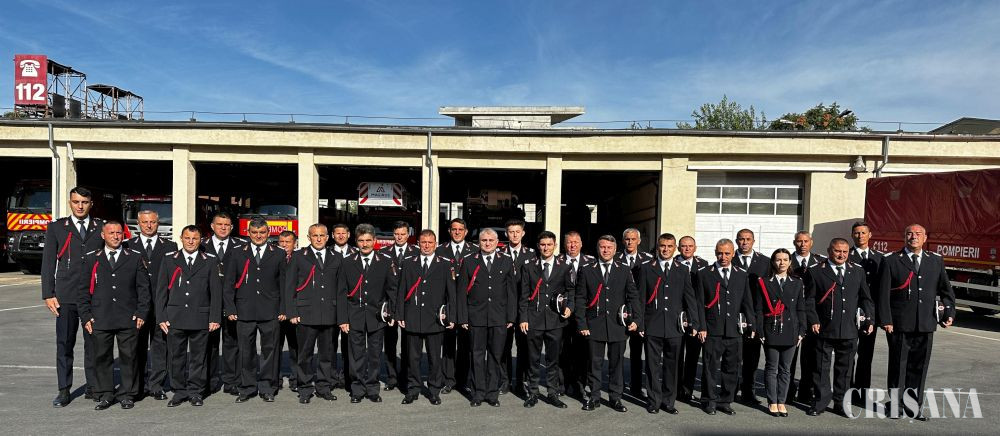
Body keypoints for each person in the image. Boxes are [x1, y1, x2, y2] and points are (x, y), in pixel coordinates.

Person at [877, 224, 955, 420]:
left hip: (925, 323)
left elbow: (946, 291)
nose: (914, 237)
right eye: (910, 234)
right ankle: (895, 407)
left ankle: (913, 407)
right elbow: (883, 293)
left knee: (919, 368)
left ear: (925, 238)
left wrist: (949, 313)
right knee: (898, 366)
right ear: (904, 237)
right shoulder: (891, 260)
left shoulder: (935, 260)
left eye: (918, 234)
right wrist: (886, 319)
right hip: (899, 324)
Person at [79, 221, 151, 410]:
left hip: (128, 317)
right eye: (111, 233)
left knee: (129, 357)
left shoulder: (134, 257)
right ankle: (105, 393)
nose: (116, 236)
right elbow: (83, 290)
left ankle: (127, 394)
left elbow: (143, 289)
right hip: (100, 316)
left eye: (119, 233)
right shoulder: (91, 258)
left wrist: (141, 312)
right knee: (101, 357)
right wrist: (85, 316)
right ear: (103, 235)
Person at [43, 186, 104, 407]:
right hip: (66, 295)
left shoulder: (101, 227)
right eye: (76, 202)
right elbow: (48, 262)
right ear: (70, 203)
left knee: (94, 344)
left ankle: (93, 387)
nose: (80, 206)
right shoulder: (57, 227)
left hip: (93, 296)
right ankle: (64, 390)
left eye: (84, 202)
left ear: (91, 204)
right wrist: (48, 293)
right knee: (65, 343)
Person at [804, 238, 875, 417]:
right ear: (829, 250)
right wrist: (813, 320)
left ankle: (841, 403)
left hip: (849, 329)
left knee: (845, 369)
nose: (841, 255)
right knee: (820, 368)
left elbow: (866, 298)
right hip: (824, 328)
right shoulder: (815, 271)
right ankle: (820, 402)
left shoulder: (857, 271)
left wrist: (869, 320)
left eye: (845, 251)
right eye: (837, 251)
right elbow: (809, 299)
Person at [156, 225, 222, 407]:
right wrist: (161, 316)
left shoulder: (209, 260)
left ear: (200, 240)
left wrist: (215, 317)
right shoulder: (169, 259)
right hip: (175, 317)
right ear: (181, 238)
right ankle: (179, 391)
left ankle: (195, 392)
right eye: (187, 238)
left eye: (195, 238)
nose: (191, 242)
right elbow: (161, 291)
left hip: (200, 317)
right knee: (176, 357)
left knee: (198, 358)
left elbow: (216, 292)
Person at [224, 217, 286, 403]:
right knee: (245, 351)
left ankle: (267, 387)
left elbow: (284, 284)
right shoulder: (237, 252)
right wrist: (230, 307)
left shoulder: (279, 253)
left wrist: (283, 309)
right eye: (254, 232)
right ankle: (247, 387)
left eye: (262, 232)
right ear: (248, 233)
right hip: (244, 309)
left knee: (270, 351)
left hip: (271, 310)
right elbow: (229, 283)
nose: (258, 236)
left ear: (268, 233)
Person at [575, 235, 639, 412]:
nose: (606, 250)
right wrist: (582, 324)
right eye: (602, 247)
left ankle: (615, 398)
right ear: (597, 248)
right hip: (594, 324)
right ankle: (594, 397)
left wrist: (636, 320)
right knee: (594, 364)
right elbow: (580, 298)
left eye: (609, 247)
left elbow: (633, 296)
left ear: (615, 250)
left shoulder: (624, 269)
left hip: (618, 325)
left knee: (616, 364)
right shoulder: (587, 270)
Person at [638, 233, 698, 415]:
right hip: (653, 325)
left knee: (672, 366)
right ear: (658, 247)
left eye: (669, 246)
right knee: (652, 365)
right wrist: (640, 323)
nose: (665, 249)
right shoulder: (647, 268)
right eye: (662, 246)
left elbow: (689, 298)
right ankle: (654, 401)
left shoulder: (682, 269)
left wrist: (694, 322)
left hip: (675, 326)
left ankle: (668, 401)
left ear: (675, 248)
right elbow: (640, 298)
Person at [338, 223, 399, 403]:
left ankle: (372, 389)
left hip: (377, 316)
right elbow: (341, 292)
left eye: (368, 240)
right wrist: (343, 318)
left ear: (374, 241)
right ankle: (357, 389)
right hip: (354, 316)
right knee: (356, 355)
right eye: (361, 241)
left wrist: (392, 313)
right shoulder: (347, 261)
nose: (364, 244)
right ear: (356, 242)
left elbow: (392, 290)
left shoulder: (385, 261)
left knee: (374, 355)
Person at [457, 228, 516, 407]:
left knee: (495, 356)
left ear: (497, 242)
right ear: (479, 242)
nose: (488, 243)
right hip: (476, 316)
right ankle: (478, 393)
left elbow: (511, 292)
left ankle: (492, 393)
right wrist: (463, 318)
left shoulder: (506, 260)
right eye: (484, 240)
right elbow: (461, 292)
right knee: (476, 355)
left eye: (491, 240)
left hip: (499, 317)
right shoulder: (469, 261)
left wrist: (511, 316)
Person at [696, 238, 755, 416]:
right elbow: (699, 303)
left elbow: (747, 301)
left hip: (734, 330)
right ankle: (709, 400)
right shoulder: (704, 273)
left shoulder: (741, 274)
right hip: (712, 329)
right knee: (710, 367)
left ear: (733, 253)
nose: (723, 257)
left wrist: (751, 324)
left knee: (732, 368)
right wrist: (702, 327)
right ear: (715, 253)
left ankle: (725, 401)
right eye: (720, 253)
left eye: (727, 253)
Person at [397, 229, 456, 406]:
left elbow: (451, 294)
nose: (427, 246)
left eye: (430, 242)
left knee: (434, 358)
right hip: (413, 317)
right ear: (418, 244)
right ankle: (413, 389)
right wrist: (400, 314)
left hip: (435, 318)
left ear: (436, 244)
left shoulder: (444, 264)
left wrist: (451, 316)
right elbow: (401, 290)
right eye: (423, 242)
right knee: (412, 358)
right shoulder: (409, 263)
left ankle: (434, 390)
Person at [124, 210, 177, 401]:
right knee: (136, 347)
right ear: (138, 223)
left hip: (160, 304)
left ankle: (156, 385)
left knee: (160, 346)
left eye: (153, 222)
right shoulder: (128, 245)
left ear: (158, 223)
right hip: (137, 306)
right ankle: (137, 385)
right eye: (145, 222)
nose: (148, 225)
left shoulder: (170, 246)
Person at [285, 224, 341, 404]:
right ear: (309, 238)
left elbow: (340, 288)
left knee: (326, 355)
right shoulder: (299, 256)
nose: (318, 239)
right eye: (315, 235)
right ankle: (304, 388)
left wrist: (340, 315)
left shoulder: (336, 257)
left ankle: (324, 387)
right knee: (304, 355)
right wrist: (292, 312)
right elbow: (289, 286)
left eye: (322, 235)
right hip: (306, 313)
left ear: (327, 237)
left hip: (329, 313)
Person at [518, 230, 574, 409]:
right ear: (538, 246)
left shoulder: (564, 266)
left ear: (555, 246)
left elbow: (571, 290)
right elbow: (524, 295)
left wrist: (570, 307)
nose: (546, 248)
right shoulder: (529, 266)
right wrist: (523, 317)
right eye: (543, 244)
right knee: (533, 359)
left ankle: (552, 393)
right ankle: (533, 392)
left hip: (555, 320)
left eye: (549, 244)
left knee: (553, 359)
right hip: (534, 319)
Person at [756, 248, 806, 417]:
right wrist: (760, 330)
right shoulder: (764, 282)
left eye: (785, 259)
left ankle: (782, 401)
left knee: (785, 369)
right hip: (771, 328)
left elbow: (800, 308)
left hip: (791, 330)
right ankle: (772, 401)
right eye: (778, 259)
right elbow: (759, 309)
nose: (782, 263)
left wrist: (802, 330)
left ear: (790, 262)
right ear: (773, 262)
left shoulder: (797, 282)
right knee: (771, 367)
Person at [201, 212, 246, 396]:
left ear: (232, 227)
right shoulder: (202, 245)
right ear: (212, 226)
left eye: (226, 225)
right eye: (219, 224)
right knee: (209, 344)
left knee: (231, 343)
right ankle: (209, 381)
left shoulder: (241, 246)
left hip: (232, 302)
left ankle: (231, 381)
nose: (223, 227)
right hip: (208, 301)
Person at [436, 218, 477, 395]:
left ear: (466, 231)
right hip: (447, 302)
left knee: (466, 344)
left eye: (461, 229)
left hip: (468, 303)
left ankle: (463, 380)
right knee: (448, 344)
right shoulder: (440, 250)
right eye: (454, 229)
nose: (457, 232)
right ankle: (449, 380)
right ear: (449, 231)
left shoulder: (474, 250)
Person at [848, 221, 884, 406]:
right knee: (848, 355)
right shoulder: (846, 255)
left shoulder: (880, 258)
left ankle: (862, 394)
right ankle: (847, 392)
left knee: (866, 355)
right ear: (852, 235)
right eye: (856, 233)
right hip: (849, 313)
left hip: (870, 313)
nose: (860, 236)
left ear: (870, 235)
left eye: (863, 232)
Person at [732, 229, 770, 406]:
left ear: (754, 241)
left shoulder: (765, 262)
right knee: (733, 357)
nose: (744, 242)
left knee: (752, 358)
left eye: (748, 239)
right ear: (736, 241)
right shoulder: (729, 259)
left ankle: (748, 392)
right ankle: (730, 391)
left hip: (755, 316)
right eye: (741, 239)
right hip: (733, 315)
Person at [378, 221, 416, 393]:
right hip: (390, 304)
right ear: (393, 235)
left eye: (403, 234)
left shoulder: (415, 252)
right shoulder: (384, 253)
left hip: (409, 304)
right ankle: (392, 377)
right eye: (397, 234)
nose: (400, 237)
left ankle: (405, 377)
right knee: (390, 343)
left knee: (409, 344)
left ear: (408, 235)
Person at [558, 230, 596, 399]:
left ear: (581, 244)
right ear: (564, 244)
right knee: (563, 350)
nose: (572, 245)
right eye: (569, 242)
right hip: (562, 314)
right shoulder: (557, 261)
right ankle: (563, 383)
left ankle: (581, 383)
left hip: (584, 314)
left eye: (575, 242)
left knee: (582, 351)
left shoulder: (591, 262)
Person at [618, 228, 654, 399]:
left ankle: (636, 386)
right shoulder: (616, 258)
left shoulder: (648, 260)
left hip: (640, 310)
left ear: (639, 241)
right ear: (623, 241)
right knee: (617, 352)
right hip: (620, 310)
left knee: (638, 351)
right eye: (627, 239)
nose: (630, 242)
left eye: (633, 239)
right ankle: (617, 385)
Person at [501, 219, 534, 396]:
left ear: (523, 233)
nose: (514, 235)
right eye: (511, 232)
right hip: (504, 308)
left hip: (524, 308)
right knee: (503, 347)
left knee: (523, 347)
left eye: (517, 232)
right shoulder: (499, 253)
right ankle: (504, 381)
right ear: (506, 234)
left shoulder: (532, 254)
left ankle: (521, 382)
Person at [674, 236, 709, 403]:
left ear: (695, 248)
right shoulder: (672, 263)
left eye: (690, 246)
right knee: (676, 356)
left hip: (695, 315)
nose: (687, 249)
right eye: (683, 246)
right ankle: (675, 389)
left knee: (693, 356)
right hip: (676, 315)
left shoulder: (703, 265)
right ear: (678, 248)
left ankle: (687, 390)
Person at [275, 230, 300, 394]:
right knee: (275, 348)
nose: (284, 245)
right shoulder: (274, 258)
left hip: (294, 311)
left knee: (295, 348)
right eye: (281, 242)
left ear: (295, 243)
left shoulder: (300, 258)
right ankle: (275, 379)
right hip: (277, 311)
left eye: (288, 242)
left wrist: (292, 310)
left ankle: (296, 379)